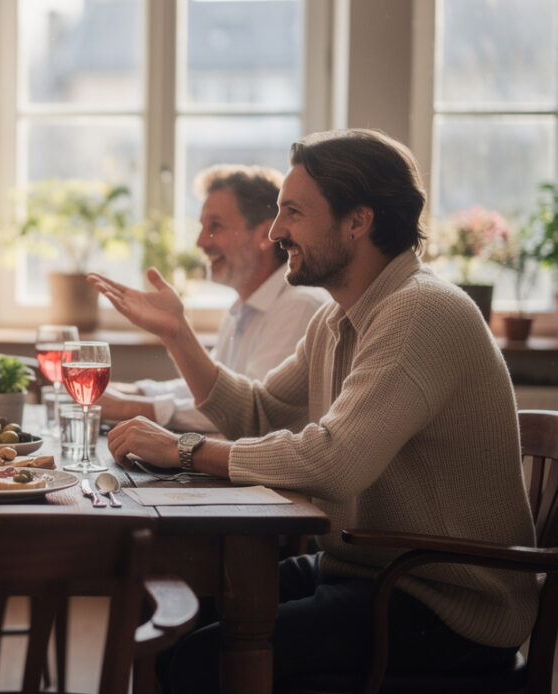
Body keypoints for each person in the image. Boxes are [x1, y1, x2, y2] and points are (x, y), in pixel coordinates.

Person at [90, 128, 538, 691]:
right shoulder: (337, 319)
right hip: (365, 571)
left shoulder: (422, 312)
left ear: (358, 221)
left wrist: (184, 449)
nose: (276, 232)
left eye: (293, 212)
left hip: (442, 601)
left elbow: (334, 462)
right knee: (174, 622)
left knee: (204, 659)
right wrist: (178, 334)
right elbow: (259, 412)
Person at [98, 164, 327, 430]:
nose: (201, 242)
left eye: (215, 226)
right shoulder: (242, 308)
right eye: (202, 227)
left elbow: (246, 414)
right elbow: (209, 391)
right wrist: (126, 392)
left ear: (265, 234)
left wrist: (126, 407)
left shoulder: (299, 307)